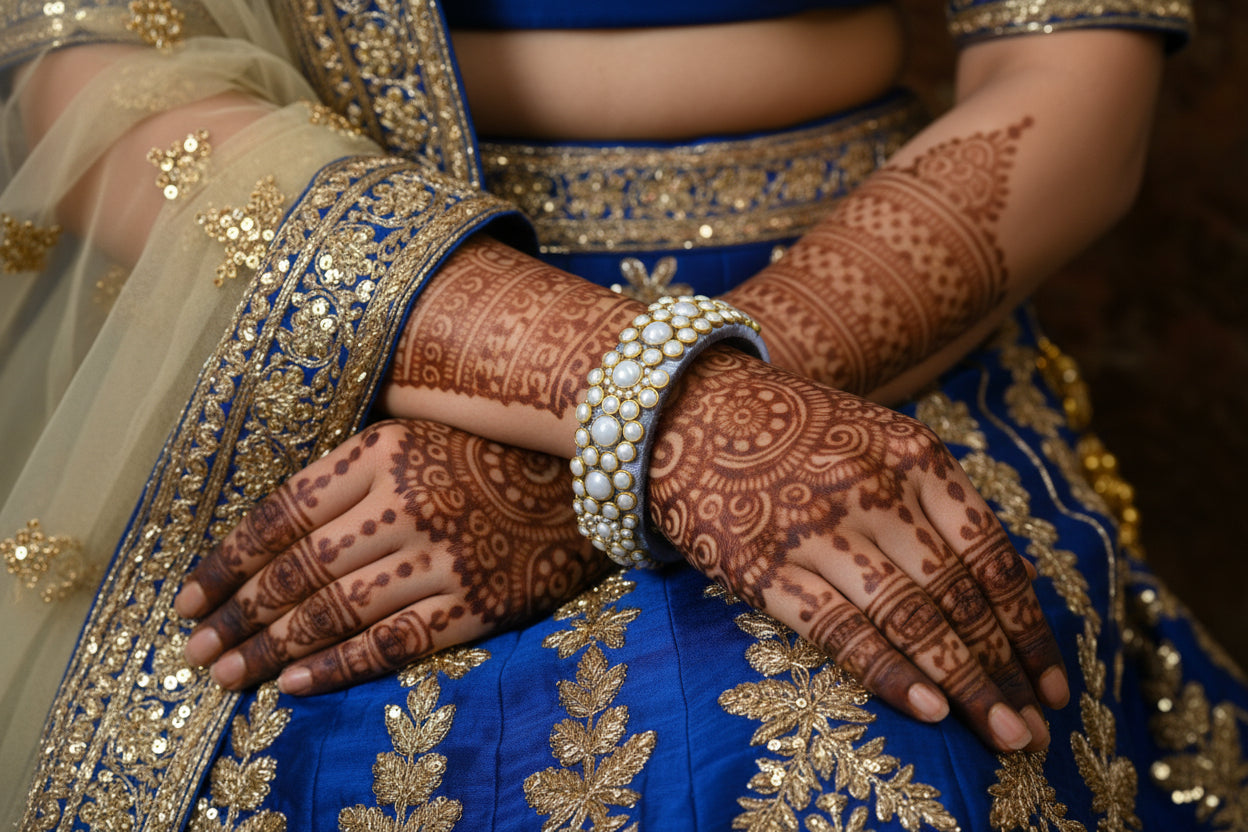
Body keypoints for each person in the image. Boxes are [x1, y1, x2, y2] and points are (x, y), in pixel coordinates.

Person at [2, 0, 1245, 828]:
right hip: (354, 309)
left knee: (899, 754)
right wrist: (643, 397)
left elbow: (1077, 73)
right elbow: (91, 71)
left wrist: (686, 411)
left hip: (866, 316)